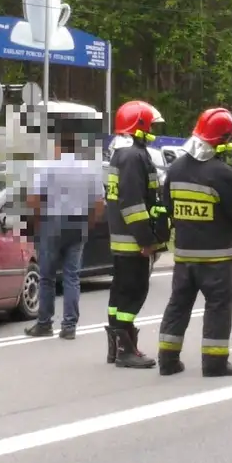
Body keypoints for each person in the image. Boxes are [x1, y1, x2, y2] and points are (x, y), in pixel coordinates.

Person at [155, 107, 232, 378]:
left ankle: (167, 360)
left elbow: (168, 205)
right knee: (218, 308)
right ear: (222, 140)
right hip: (216, 258)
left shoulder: (174, 169)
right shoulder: (220, 173)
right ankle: (214, 363)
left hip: (184, 256)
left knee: (178, 305)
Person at [23, 128, 104, 341]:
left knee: (47, 277)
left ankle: (44, 323)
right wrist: (90, 222)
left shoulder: (46, 168)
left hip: (52, 223)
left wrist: (37, 221)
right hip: (78, 224)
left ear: (59, 147)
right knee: (72, 276)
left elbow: (33, 199)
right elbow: (99, 202)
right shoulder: (90, 169)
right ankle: (69, 326)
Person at [103, 100, 165, 369]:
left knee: (121, 294)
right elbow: (133, 204)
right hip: (133, 242)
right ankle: (125, 351)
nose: (153, 127)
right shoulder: (133, 156)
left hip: (123, 239)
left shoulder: (123, 153)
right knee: (133, 292)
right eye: (150, 122)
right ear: (139, 125)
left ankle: (117, 347)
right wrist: (146, 240)